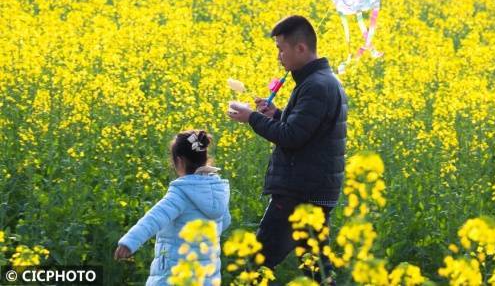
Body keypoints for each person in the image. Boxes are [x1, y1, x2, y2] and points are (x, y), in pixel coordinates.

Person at [227, 16, 347, 284]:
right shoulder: (323, 81)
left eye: (282, 49)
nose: (279, 57)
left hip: (298, 193)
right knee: (316, 268)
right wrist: (276, 115)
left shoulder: (316, 85)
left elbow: (292, 137)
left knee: (258, 263)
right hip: (314, 189)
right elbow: (308, 131)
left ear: (301, 48)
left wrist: (252, 118)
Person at [115, 130, 231, 286]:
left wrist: (129, 242)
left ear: (179, 161)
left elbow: (154, 218)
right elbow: (225, 222)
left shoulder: (181, 192)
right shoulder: (218, 191)